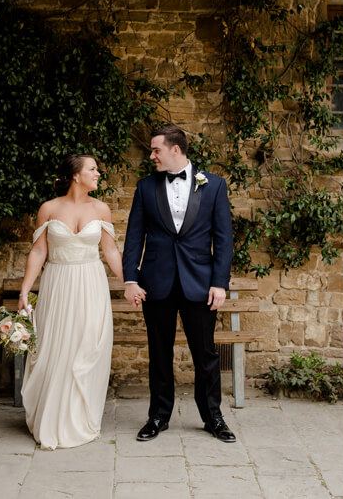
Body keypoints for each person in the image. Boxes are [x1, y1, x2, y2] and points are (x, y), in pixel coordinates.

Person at [122, 124, 235, 443]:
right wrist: (131, 278)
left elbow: (223, 239)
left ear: (176, 150)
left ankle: (213, 417)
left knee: (206, 354)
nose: (151, 155)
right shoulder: (145, 187)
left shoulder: (213, 186)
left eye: (156, 149)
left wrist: (219, 282)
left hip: (199, 284)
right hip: (156, 282)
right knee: (159, 353)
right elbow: (134, 236)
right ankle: (158, 415)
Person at [17, 154, 119, 450]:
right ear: (76, 175)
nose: (98, 173)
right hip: (58, 283)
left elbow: (110, 251)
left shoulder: (102, 209)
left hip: (91, 283)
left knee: (87, 348)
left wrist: (129, 282)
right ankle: (52, 418)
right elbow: (38, 252)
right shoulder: (48, 208)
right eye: (93, 169)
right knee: (55, 348)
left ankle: (79, 418)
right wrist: (25, 290)